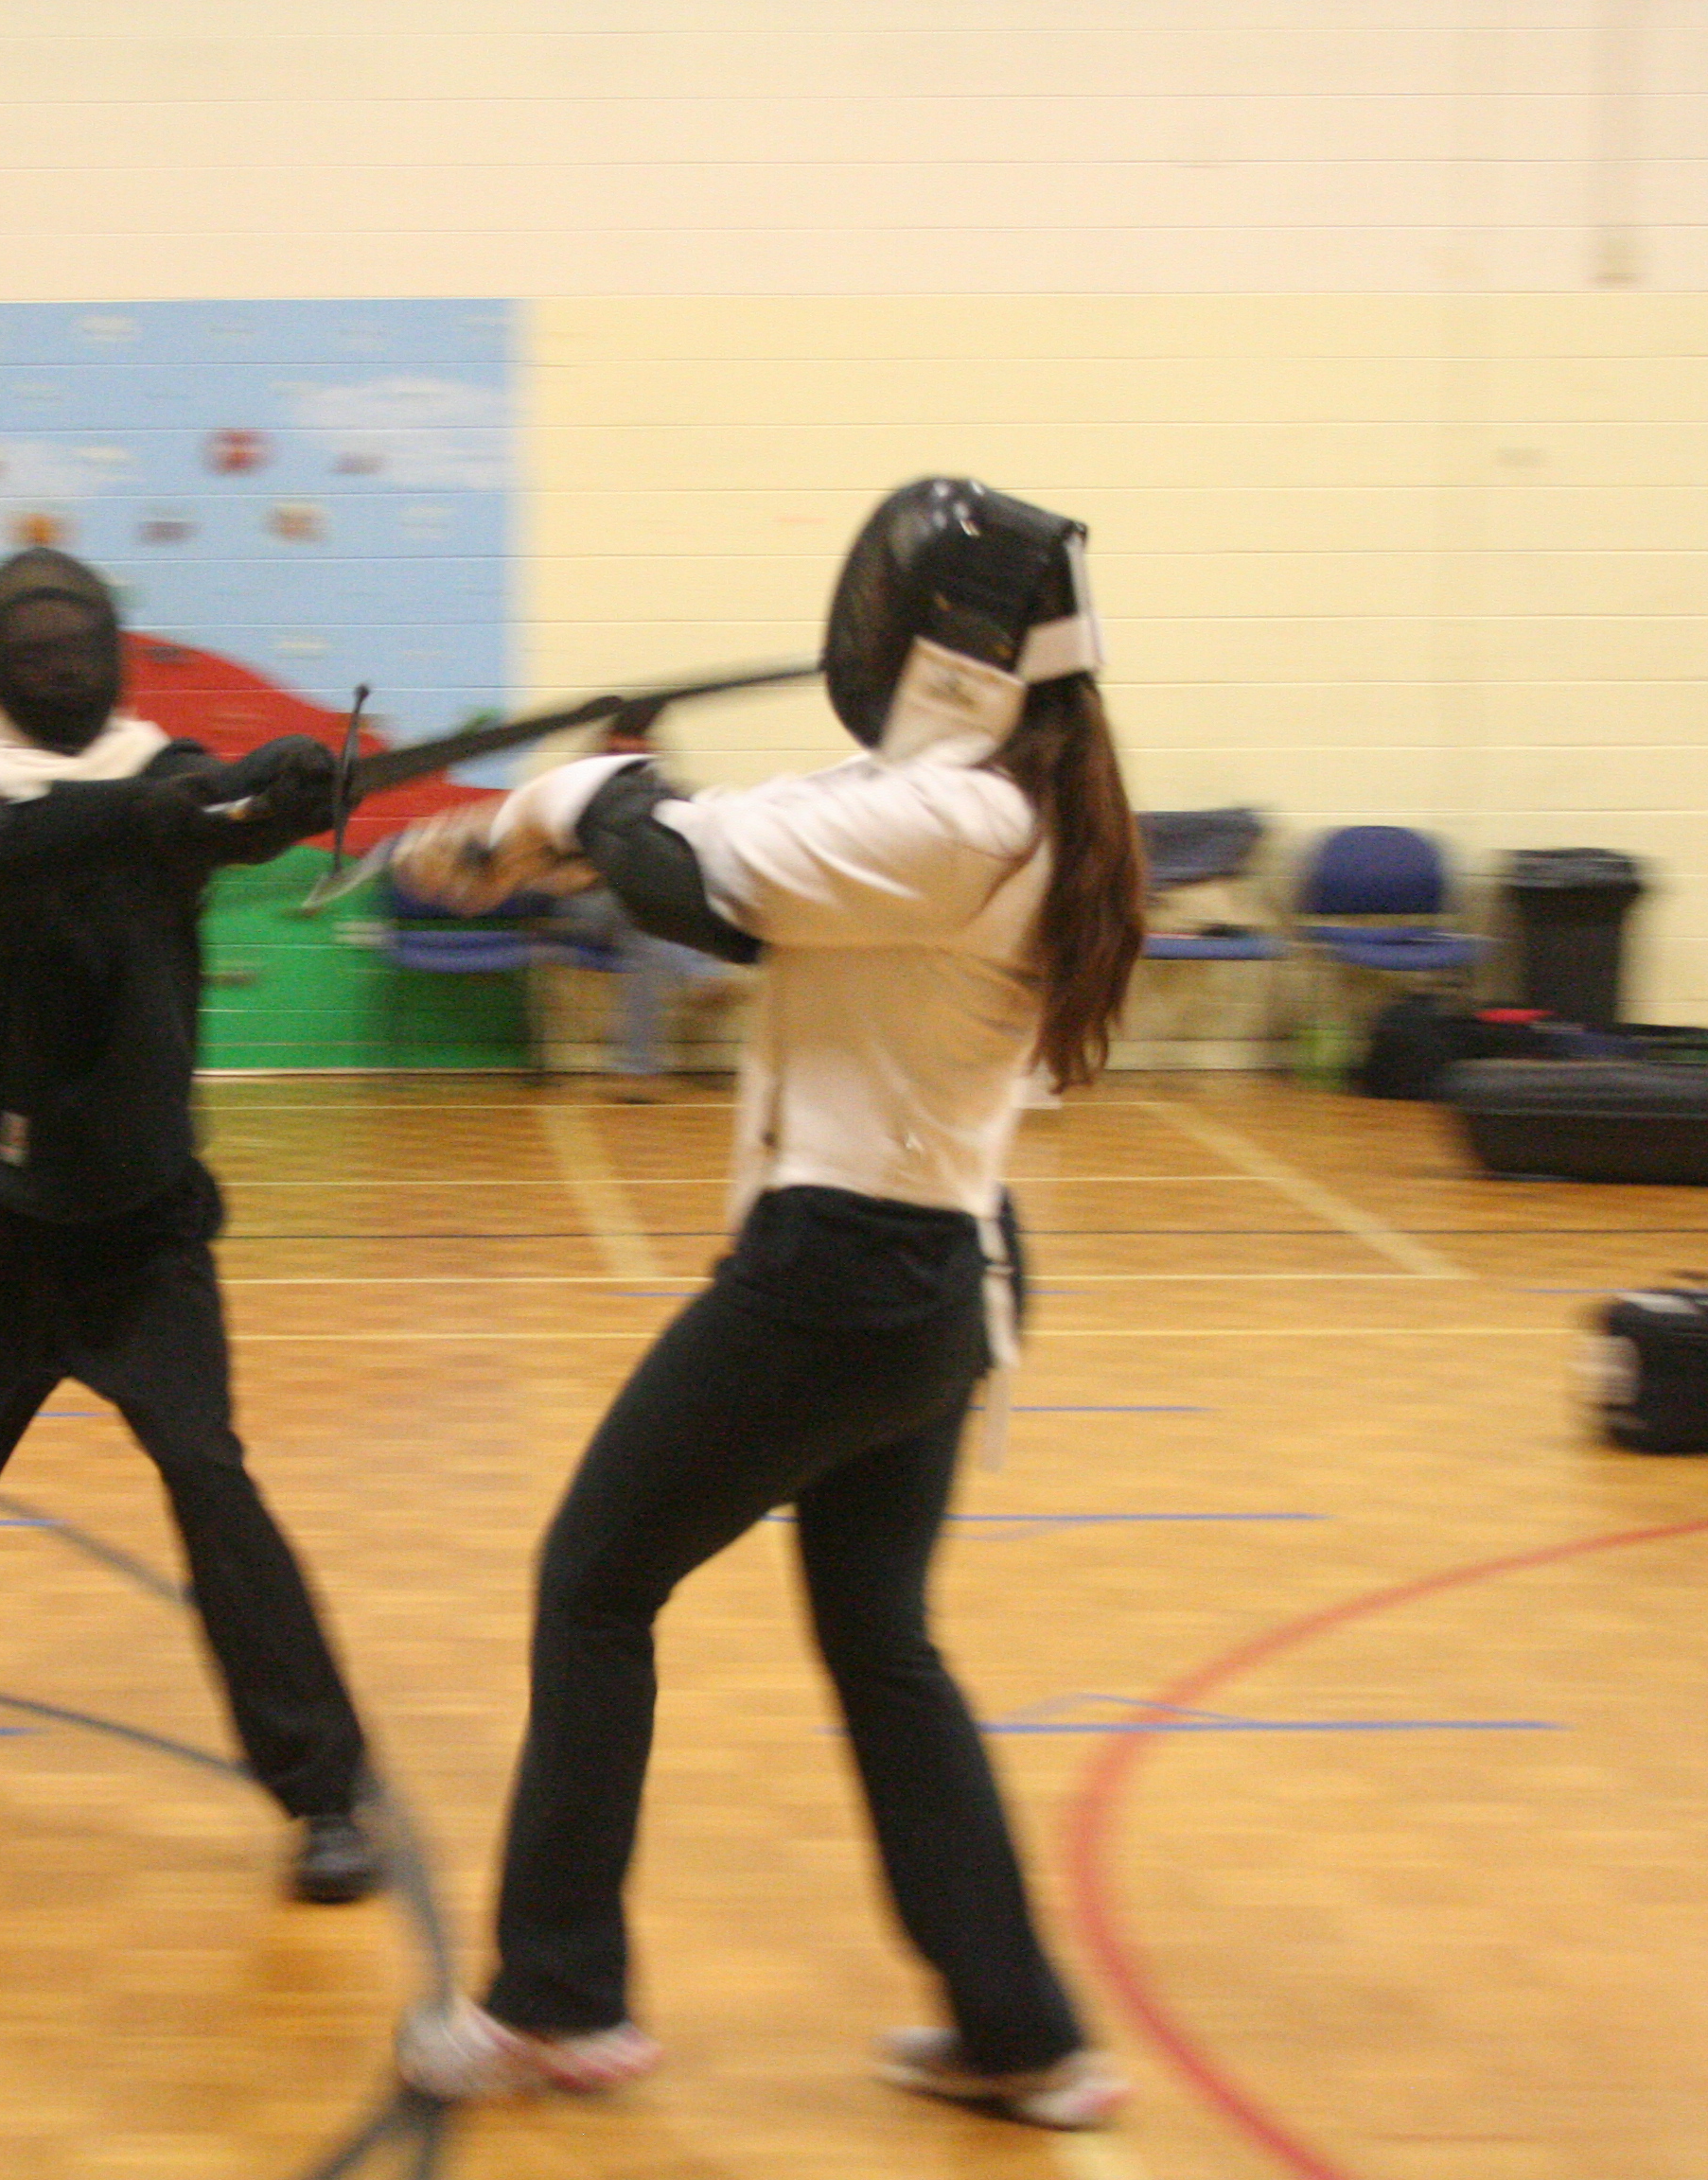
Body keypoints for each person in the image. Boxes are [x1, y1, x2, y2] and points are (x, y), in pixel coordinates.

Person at [389, 481, 1147, 2125]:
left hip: (843, 1277)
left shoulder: (963, 819)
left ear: (938, 644)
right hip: (928, 1278)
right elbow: (734, 832)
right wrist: (527, 832)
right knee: (882, 1638)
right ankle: (1017, 2027)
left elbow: (695, 873)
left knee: (593, 1580)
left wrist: (571, 793)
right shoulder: (983, 796)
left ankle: (555, 1997)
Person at [0, 547, 385, 1906]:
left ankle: (324, 1791)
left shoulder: (171, 772)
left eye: (75, 642)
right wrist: (178, 802)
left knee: (212, 1488)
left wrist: (282, 797)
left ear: (111, 651)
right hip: (3, 1228)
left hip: (145, 1234)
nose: (55, 666)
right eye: (29, 647)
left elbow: (219, 829)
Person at [545, 706, 748, 1099]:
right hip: (586, 906)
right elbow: (556, 871)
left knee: (648, 937)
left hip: (639, 909)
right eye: (621, 746)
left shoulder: (666, 796)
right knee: (643, 911)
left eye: (640, 745)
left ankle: (636, 1071)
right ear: (606, 748)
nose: (631, 753)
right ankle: (701, 973)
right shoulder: (574, 795)